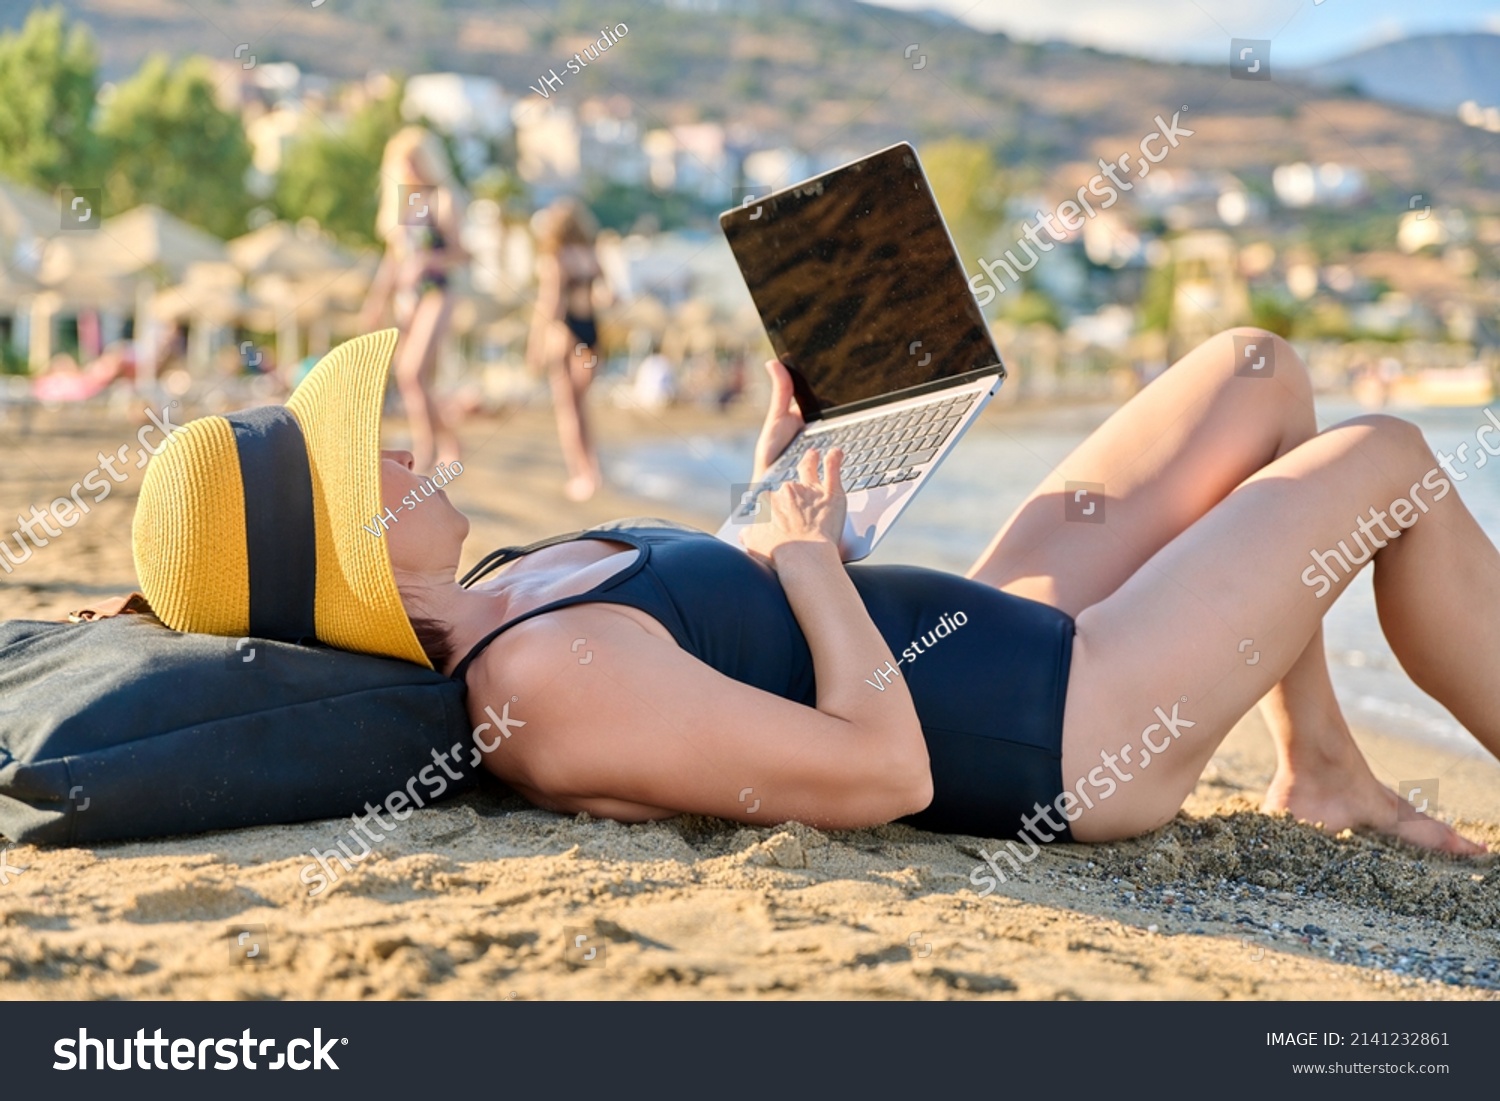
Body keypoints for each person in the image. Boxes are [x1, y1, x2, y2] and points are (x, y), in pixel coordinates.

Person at [132, 327, 1499, 857]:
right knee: (1384, 459)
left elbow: (732, 636)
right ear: (351, 541)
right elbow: (883, 769)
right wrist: (797, 555)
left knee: (1258, 376)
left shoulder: (512, 585)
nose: (403, 444)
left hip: (980, 631)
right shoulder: (533, 684)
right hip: (1068, 725)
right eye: (368, 456)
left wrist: (777, 485)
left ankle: (1322, 764)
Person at [361, 125, 468, 471]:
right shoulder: (400, 209)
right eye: (404, 163)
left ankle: (428, 449)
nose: (410, 169)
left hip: (437, 291)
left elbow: (463, 253)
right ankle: (447, 444)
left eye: (415, 161)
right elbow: (392, 262)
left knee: (411, 373)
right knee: (418, 380)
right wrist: (376, 301)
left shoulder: (442, 200)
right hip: (408, 299)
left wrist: (428, 260)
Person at [526, 199, 609, 501]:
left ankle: (580, 474)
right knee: (582, 406)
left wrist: (535, 343)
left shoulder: (556, 258)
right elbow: (608, 293)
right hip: (591, 331)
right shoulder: (590, 255)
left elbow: (551, 304)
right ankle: (593, 470)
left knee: (568, 410)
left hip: (565, 332)